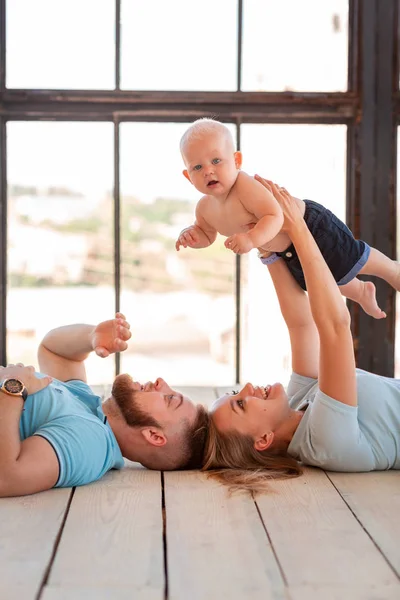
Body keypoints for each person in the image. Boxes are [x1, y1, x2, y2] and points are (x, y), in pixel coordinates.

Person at [201, 178, 400, 494]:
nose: (250, 387)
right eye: (242, 404)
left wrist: (268, 253)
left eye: (238, 392)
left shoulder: (296, 404)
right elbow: (335, 327)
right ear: (264, 440)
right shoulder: (325, 439)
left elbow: (302, 325)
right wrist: (298, 230)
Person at [175, 118, 400, 319]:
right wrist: (193, 236)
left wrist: (252, 239)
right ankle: (361, 291)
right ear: (188, 176)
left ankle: (391, 269)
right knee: (321, 282)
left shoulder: (244, 186)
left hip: (310, 227)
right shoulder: (204, 208)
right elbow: (207, 234)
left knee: (349, 257)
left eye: (216, 161)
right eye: (197, 167)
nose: (208, 171)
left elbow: (274, 216)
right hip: (287, 251)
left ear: (236, 160)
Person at [0, 313, 208, 498]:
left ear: (154, 435)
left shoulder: (89, 441)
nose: (161, 382)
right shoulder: (86, 403)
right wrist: (91, 336)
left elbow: (7, 479)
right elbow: (55, 352)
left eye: (170, 398)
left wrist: (12, 388)